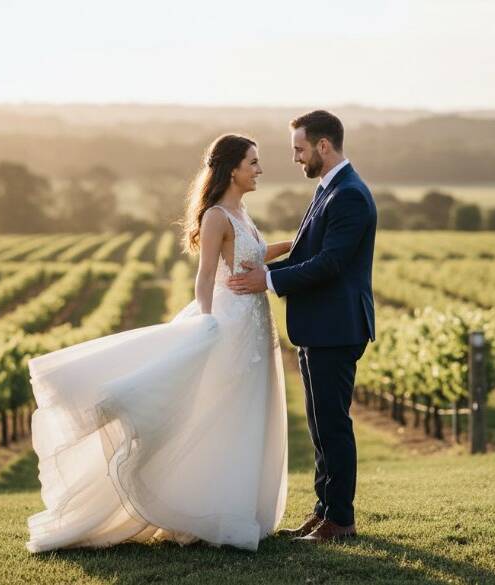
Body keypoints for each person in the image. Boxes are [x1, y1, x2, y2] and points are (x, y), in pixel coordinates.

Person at [25, 134, 291, 553]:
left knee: (247, 413)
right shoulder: (217, 215)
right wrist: (207, 325)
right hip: (230, 323)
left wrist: (294, 244)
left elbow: (255, 256)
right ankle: (205, 509)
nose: (259, 170)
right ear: (232, 169)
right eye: (253, 162)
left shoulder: (243, 211)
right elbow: (204, 276)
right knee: (217, 411)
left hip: (256, 324)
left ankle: (238, 508)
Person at [228, 110, 376, 542]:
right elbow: (306, 251)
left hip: (337, 327)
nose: (295, 158)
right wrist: (262, 265)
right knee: (319, 426)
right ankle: (323, 511)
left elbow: (329, 263)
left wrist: (269, 279)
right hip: (319, 326)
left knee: (333, 425)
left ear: (323, 146)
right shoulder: (328, 189)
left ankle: (341, 521)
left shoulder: (348, 194)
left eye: (299, 149)